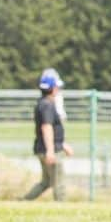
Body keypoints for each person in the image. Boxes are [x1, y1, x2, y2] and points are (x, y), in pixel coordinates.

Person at [23, 68, 73, 201]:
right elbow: (47, 127)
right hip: (50, 150)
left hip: (46, 147)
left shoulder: (43, 104)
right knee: (59, 182)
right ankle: (61, 207)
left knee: (47, 181)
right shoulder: (47, 106)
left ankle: (25, 201)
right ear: (52, 89)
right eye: (57, 87)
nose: (58, 89)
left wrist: (62, 144)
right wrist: (51, 151)